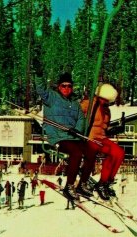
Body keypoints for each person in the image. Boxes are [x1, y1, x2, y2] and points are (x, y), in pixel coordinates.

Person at [36, 72, 96, 201]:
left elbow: (81, 119)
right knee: (76, 153)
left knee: (91, 152)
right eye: (64, 86)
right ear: (59, 87)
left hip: (73, 136)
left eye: (69, 86)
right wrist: (39, 74)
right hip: (58, 137)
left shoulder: (75, 104)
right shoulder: (51, 97)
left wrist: (77, 129)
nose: (66, 89)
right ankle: (69, 186)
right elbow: (40, 88)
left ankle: (83, 184)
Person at [80, 83, 125, 200]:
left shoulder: (107, 111)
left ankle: (105, 182)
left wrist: (114, 130)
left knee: (118, 152)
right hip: (89, 137)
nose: (105, 103)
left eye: (107, 101)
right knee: (99, 150)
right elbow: (75, 115)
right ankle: (87, 180)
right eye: (103, 100)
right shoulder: (88, 104)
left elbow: (104, 128)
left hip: (101, 138)